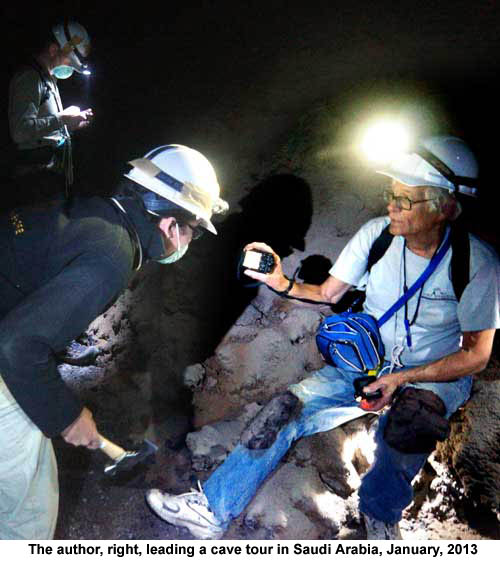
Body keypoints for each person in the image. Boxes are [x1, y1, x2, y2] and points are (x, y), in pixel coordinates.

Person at [146, 136, 499, 540]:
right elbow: (328, 294)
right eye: (392, 194)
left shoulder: (478, 264)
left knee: (412, 422)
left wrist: (400, 381)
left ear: (446, 208)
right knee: (285, 408)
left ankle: (380, 514)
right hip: (369, 361)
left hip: (432, 372)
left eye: (405, 200)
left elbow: (476, 356)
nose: (391, 206)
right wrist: (280, 282)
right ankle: (212, 508)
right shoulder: (377, 237)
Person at [0, 144, 228, 539]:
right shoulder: (113, 254)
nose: (187, 243)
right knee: (29, 499)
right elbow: (17, 346)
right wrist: (68, 417)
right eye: (191, 232)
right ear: (170, 225)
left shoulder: (95, 212)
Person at [7, 20, 93, 207]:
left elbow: (45, 129)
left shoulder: (49, 79)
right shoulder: (29, 78)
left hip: (51, 182)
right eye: (69, 61)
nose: (70, 68)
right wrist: (62, 118)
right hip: (33, 184)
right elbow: (20, 131)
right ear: (54, 50)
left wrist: (70, 125)